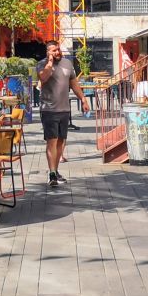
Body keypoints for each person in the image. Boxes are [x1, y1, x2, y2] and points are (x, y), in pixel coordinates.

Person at [37, 41, 87, 188]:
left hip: (64, 109)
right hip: (49, 109)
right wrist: (50, 62)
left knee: (61, 141)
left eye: (58, 49)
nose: (57, 52)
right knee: (52, 140)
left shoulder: (67, 64)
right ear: (48, 52)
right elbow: (43, 78)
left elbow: (74, 84)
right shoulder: (42, 64)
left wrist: (83, 99)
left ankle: (56, 170)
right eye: (53, 51)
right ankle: (52, 173)